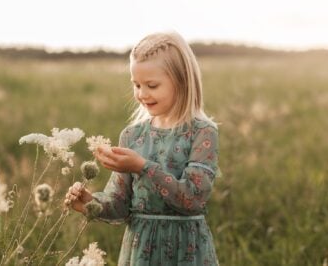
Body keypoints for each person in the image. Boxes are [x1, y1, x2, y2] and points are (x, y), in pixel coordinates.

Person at [65, 31, 220, 266]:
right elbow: (119, 205)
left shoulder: (202, 132)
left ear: (182, 81)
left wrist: (142, 166)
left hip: (186, 252)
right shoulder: (132, 136)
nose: (141, 94)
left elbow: (192, 199)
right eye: (136, 85)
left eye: (152, 85)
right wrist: (89, 203)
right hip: (141, 253)